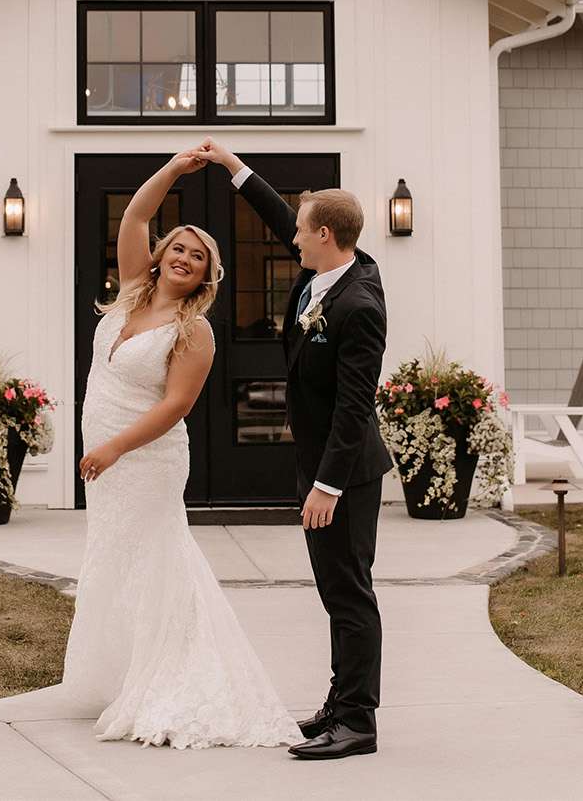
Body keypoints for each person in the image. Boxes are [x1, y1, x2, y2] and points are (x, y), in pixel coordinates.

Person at [60, 147, 300, 750]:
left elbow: (175, 408)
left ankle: (173, 677)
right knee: (115, 557)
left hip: (146, 459)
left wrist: (114, 448)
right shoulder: (134, 292)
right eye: (179, 249)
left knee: (158, 557)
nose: (185, 259)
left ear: (205, 274)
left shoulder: (195, 332)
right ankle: (121, 671)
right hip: (108, 454)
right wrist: (173, 169)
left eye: (198, 256)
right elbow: (134, 220)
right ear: (162, 256)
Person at [201, 138, 392, 762]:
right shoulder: (327, 270)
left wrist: (327, 486)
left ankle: (357, 722)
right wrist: (234, 168)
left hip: (346, 474)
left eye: (305, 231)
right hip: (323, 466)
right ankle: (339, 704)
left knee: (348, 593)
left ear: (328, 235)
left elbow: (353, 406)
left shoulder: (358, 305)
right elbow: (281, 216)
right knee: (335, 589)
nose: (295, 239)